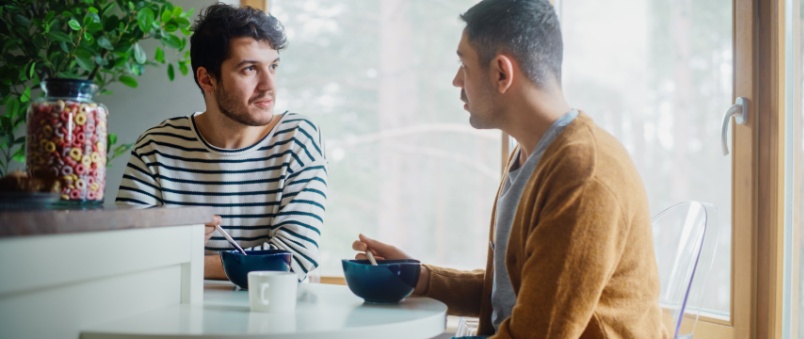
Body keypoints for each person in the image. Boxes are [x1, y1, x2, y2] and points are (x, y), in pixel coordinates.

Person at [352, 0, 667, 337]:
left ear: (502, 72)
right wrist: (419, 277)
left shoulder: (583, 174)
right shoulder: (530, 156)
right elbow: (514, 294)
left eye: (464, 64)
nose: (456, 80)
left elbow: (538, 333)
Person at [116, 3, 327, 281]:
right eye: (250, 69)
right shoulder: (155, 147)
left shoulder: (298, 139)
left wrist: (178, 259)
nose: (268, 85)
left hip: (272, 317)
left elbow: (295, 258)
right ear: (207, 79)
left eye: (273, 66)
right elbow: (124, 255)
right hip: (176, 318)